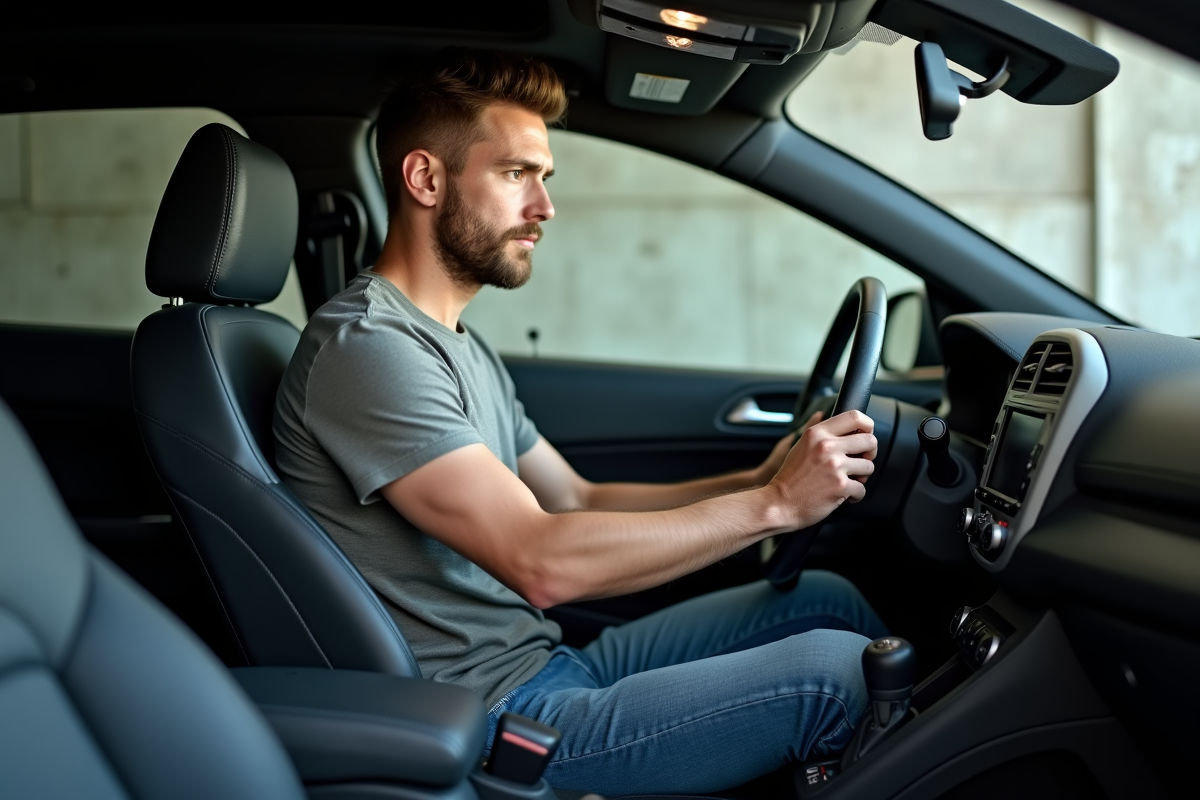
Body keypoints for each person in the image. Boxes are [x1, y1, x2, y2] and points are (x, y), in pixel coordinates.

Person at [274, 48, 888, 795]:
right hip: (498, 714)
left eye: (545, 178)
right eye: (515, 174)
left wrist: (758, 476)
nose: (544, 206)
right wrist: (774, 507)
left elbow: (574, 499)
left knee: (828, 602)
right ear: (426, 179)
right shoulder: (368, 349)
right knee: (835, 679)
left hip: (552, 662)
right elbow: (541, 561)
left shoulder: (454, 342)